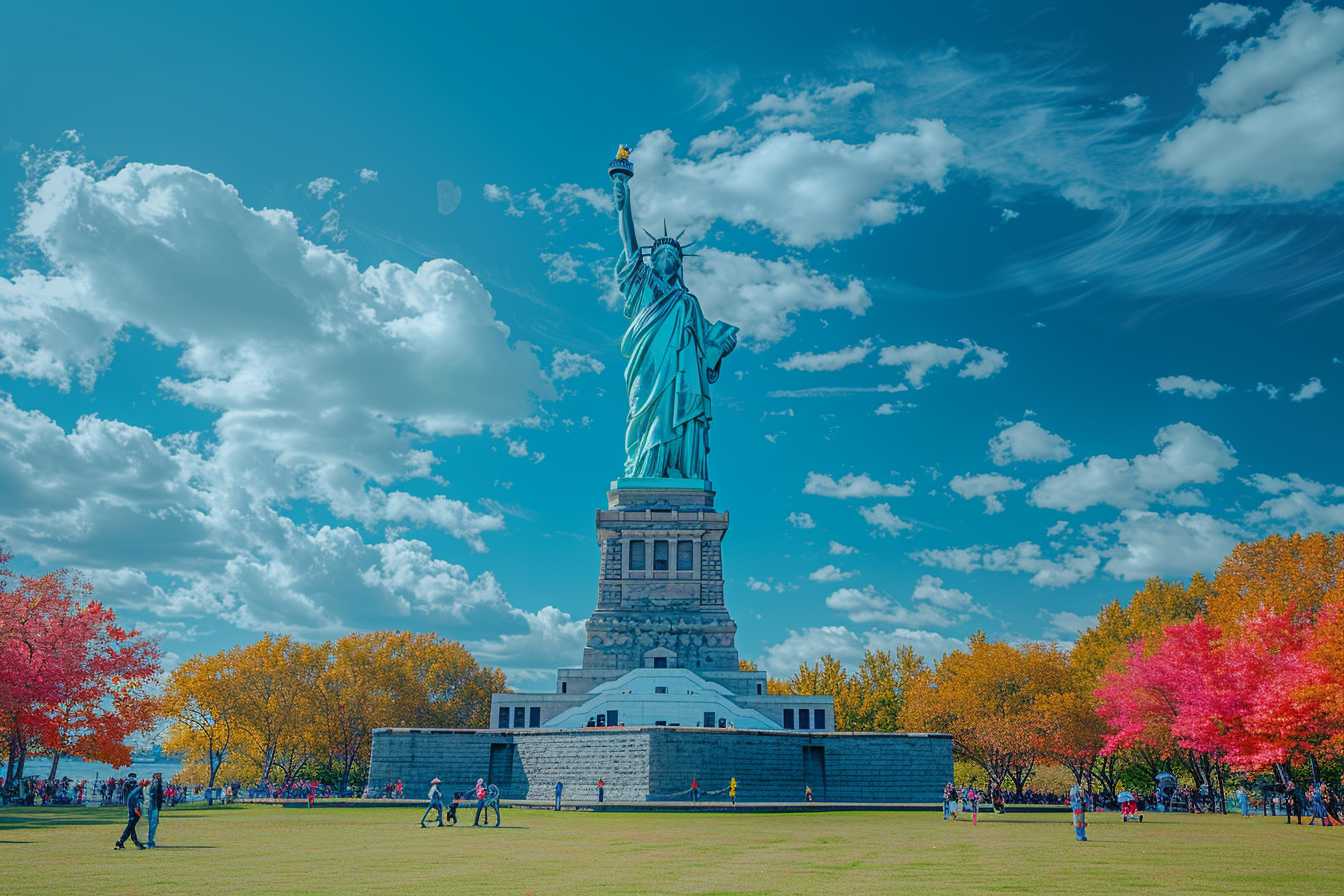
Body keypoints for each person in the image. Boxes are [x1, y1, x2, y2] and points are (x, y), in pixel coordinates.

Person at [114, 773, 146, 850]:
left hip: (134, 806)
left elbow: (140, 796)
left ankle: (125, 842)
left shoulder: (134, 786)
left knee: (131, 826)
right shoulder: (127, 785)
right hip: (133, 807)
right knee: (131, 826)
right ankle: (122, 841)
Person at [146, 772, 164, 848]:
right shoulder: (156, 783)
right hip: (154, 806)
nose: (161, 778)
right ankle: (150, 842)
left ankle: (150, 841)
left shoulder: (153, 784)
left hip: (153, 806)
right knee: (153, 824)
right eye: (159, 776)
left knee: (153, 824)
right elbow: (154, 795)